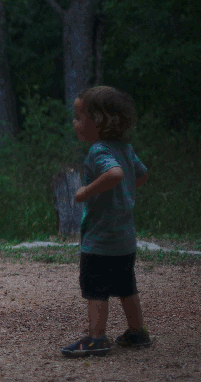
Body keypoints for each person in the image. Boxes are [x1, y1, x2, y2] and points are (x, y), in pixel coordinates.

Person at [62, 85, 152, 358]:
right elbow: (141, 174)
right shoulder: (124, 148)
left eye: (79, 117)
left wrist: (85, 192)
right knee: (127, 286)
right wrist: (124, 193)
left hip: (100, 240)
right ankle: (137, 332)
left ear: (98, 122)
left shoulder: (98, 151)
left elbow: (113, 174)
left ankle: (96, 338)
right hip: (125, 238)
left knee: (96, 289)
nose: (75, 123)